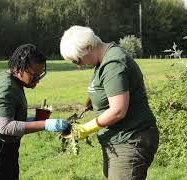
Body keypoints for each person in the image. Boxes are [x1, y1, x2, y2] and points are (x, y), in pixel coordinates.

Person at [60, 26, 159, 180]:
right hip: (118, 139)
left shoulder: (113, 63)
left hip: (130, 138)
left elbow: (118, 110)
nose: (78, 65)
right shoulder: (103, 60)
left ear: (89, 47)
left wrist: (86, 128)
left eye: (77, 60)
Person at [0, 43, 68, 180]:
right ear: (18, 68)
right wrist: (45, 124)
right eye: (34, 76)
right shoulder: (6, 87)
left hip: (7, 149)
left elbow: (10, 116)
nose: (37, 81)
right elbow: (5, 127)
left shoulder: (14, 81)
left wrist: (34, 120)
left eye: (40, 76)